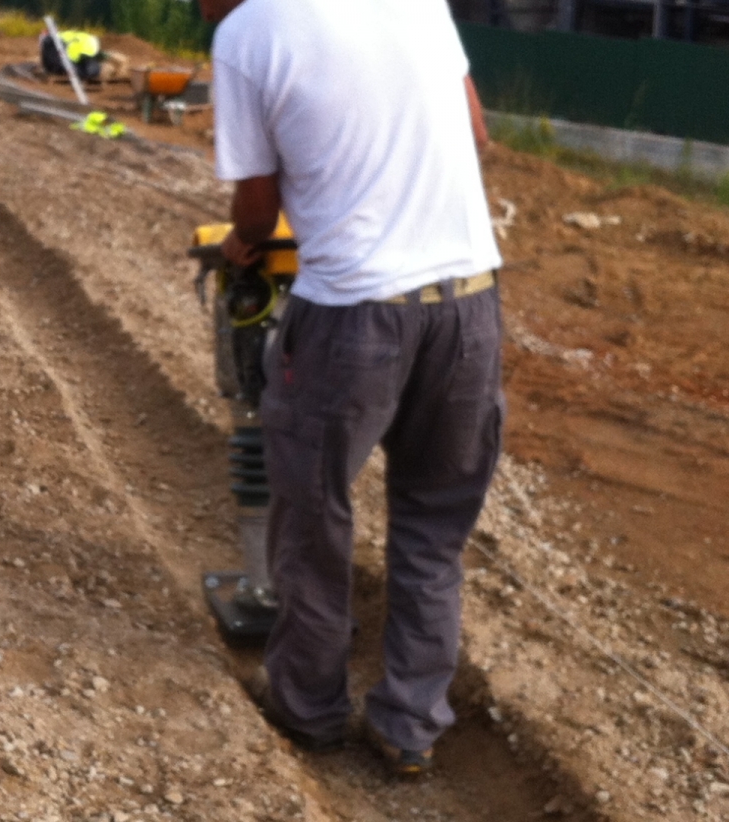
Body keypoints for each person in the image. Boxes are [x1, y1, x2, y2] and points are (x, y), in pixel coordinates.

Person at [200, 0, 503, 778]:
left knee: (313, 513)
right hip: (468, 303)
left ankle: (309, 709)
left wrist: (240, 244)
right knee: (433, 525)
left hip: (352, 318)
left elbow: (260, 207)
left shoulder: (244, 36)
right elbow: (475, 133)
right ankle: (410, 723)